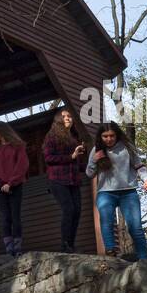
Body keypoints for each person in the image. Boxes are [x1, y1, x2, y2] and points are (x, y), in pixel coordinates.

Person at [85, 121, 147, 259]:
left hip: (128, 192)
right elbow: (89, 174)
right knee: (107, 221)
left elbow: (139, 166)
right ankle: (111, 251)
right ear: (101, 137)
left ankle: (143, 258)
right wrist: (94, 160)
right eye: (105, 136)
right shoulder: (96, 150)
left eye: (112, 136)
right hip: (105, 192)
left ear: (117, 135)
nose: (109, 139)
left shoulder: (127, 148)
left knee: (135, 227)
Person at [41, 107, 87, 252]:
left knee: (77, 211)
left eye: (70, 116)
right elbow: (49, 158)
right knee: (69, 209)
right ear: (58, 120)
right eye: (65, 116)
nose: (68, 118)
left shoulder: (72, 139)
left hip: (73, 180)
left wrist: (92, 165)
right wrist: (71, 156)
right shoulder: (52, 136)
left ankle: (71, 245)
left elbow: (76, 163)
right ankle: (65, 244)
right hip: (57, 180)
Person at [0, 121, 29, 255]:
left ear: (1, 131)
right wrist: (0, 183)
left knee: (16, 216)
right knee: (6, 217)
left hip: (15, 186)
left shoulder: (18, 146)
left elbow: (22, 165)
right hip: (0, 188)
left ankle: (17, 248)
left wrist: (10, 183)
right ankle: (9, 249)